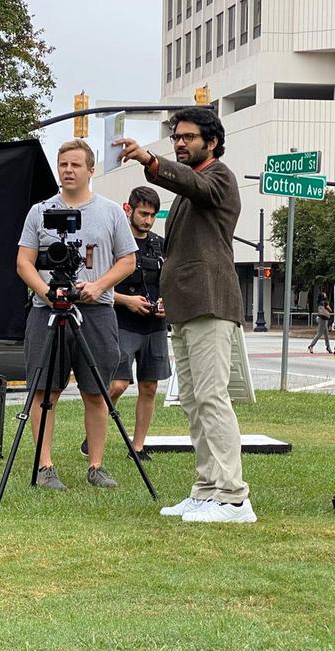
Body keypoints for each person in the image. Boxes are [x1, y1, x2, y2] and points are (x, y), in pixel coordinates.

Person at [115, 106, 255, 524]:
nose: (179, 142)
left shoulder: (220, 177)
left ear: (211, 143)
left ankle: (233, 497)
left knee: (212, 397)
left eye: (188, 137)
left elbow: (194, 182)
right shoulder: (191, 190)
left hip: (211, 302)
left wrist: (151, 161)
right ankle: (207, 489)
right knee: (194, 400)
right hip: (186, 306)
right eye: (176, 137)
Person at [16, 139, 137, 491]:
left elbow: (127, 260)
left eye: (75, 165)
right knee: (44, 390)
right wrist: (45, 291)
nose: (68, 170)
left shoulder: (111, 211)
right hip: (47, 311)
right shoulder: (40, 211)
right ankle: (45, 465)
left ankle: (96, 465)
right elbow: (24, 261)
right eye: (63, 164)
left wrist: (99, 286)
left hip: (95, 310)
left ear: (90, 169)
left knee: (96, 391)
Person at [89, 186, 170, 464]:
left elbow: (168, 281)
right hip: (121, 322)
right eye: (143, 213)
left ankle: (137, 447)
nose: (148, 220)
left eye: (152, 215)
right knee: (119, 384)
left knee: (150, 387)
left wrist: (164, 302)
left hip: (155, 326)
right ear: (129, 209)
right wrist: (127, 301)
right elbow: (100, 286)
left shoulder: (160, 244)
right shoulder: (115, 244)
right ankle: (95, 427)